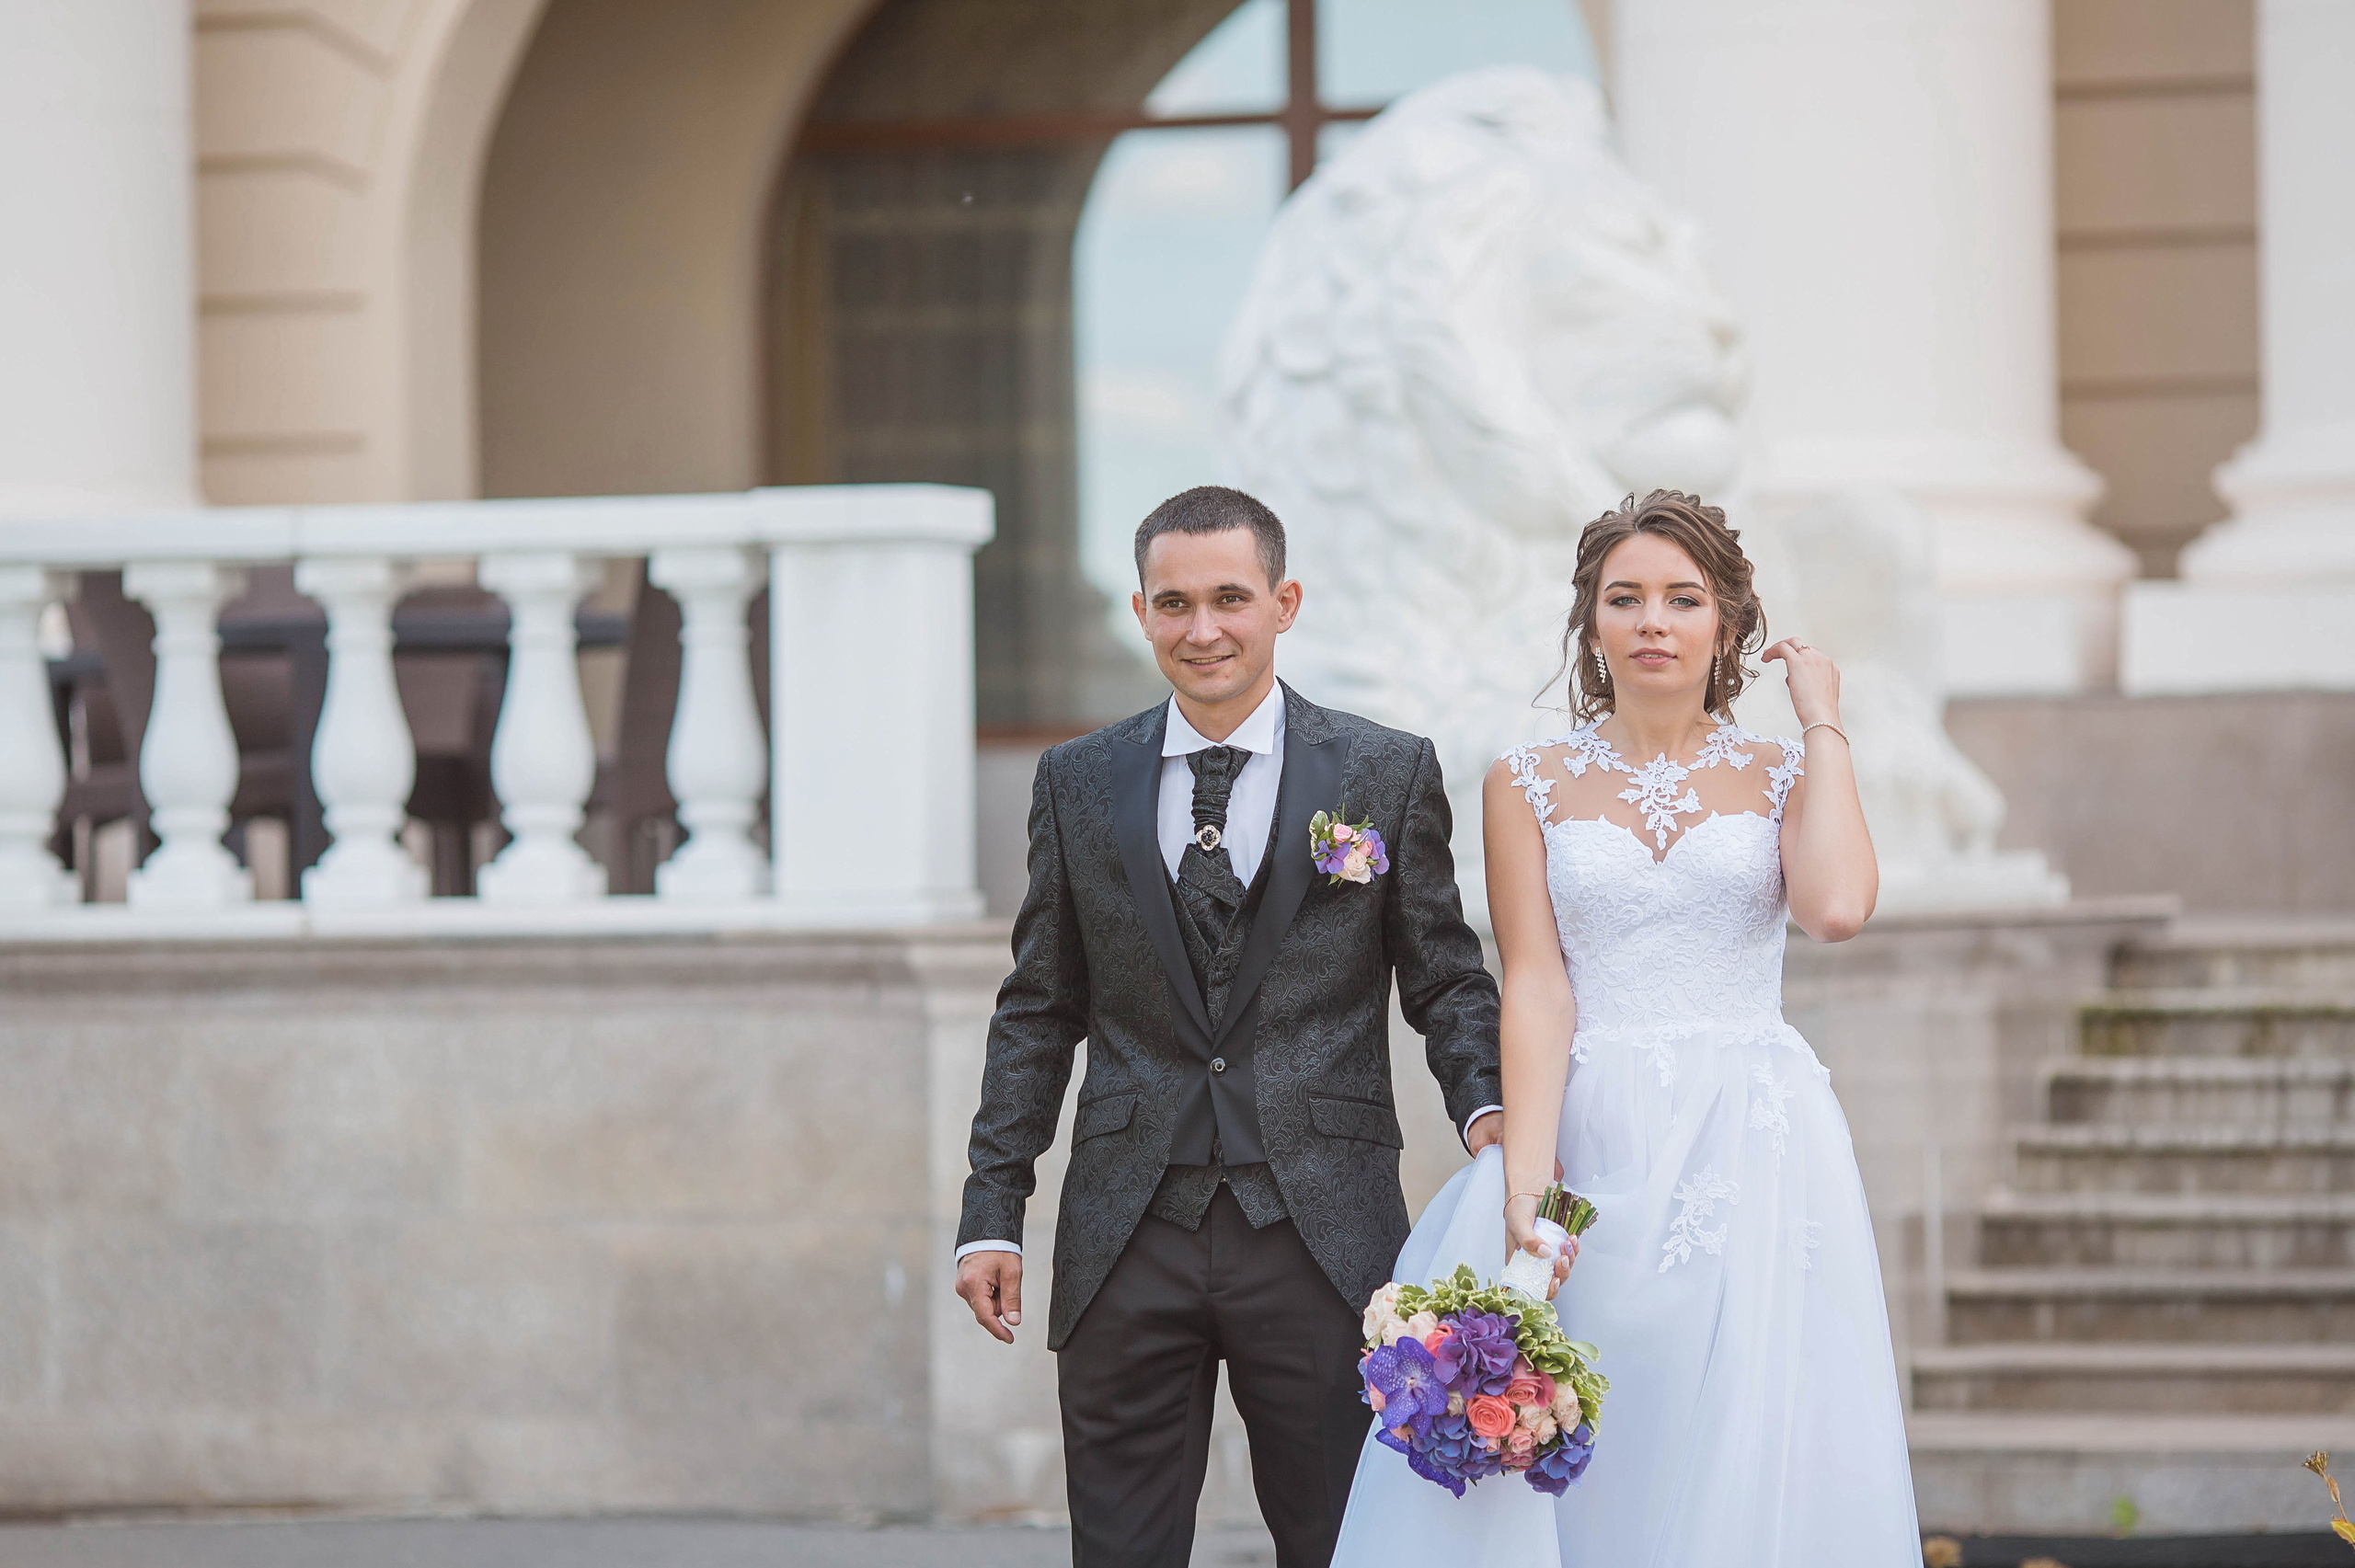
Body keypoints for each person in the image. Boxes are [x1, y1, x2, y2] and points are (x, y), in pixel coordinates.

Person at [1331, 489, 1921, 1564]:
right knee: (1590, 1408)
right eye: (1626, 598)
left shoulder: (1785, 771)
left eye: (1682, 598)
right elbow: (1538, 985)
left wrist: (1823, 718)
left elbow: (1835, 908)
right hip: (1591, 1130)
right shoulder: (1526, 782)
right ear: (1590, 624)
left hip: (1751, 1133)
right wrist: (1526, 1186)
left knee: (1740, 1413)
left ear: (1726, 624)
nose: (1654, 620)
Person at [956, 485, 1505, 1568]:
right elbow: (1038, 1004)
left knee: (1340, 1541)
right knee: (1119, 1547)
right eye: (1173, 603)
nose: (1201, 628)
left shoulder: (1382, 772)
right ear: (1141, 611)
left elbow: (1444, 977)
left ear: (1283, 601)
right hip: (1126, 1229)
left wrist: (1488, 1109)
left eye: (1228, 598)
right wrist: (992, 1206)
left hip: (1323, 1232)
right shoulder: (1076, 780)